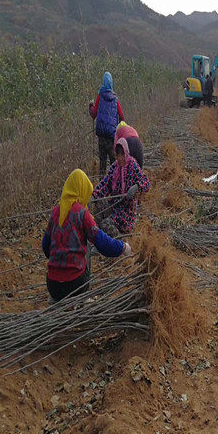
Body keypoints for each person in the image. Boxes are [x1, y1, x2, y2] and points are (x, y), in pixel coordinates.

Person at [42, 169, 131, 303]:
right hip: (75, 285)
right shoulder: (82, 213)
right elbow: (102, 242)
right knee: (88, 244)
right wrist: (122, 247)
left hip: (52, 285)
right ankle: (83, 297)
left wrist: (60, 261)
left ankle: (56, 299)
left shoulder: (56, 212)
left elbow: (45, 246)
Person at [92, 138, 150, 236]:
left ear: (126, 153)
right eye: (117, 155)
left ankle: (121, 242)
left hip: (127, 212)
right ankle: (103, 240)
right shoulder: (115, 167)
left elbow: (146, 183)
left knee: (105, 225)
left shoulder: (133, 165)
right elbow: (105, 184)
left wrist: (137, 187)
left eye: (122, 155)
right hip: (115, 205)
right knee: (97, 211)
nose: (120, 158)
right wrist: (93, 196)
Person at [89, 72, 124, 177]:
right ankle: (115, 183)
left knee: (102, 162)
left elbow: (94, 114)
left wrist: (91, 106)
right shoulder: (115, 99)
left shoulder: (100, 96)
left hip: (101, 135)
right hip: (111, 135)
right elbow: (122, 116)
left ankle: (102, 187)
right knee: (114, 161)